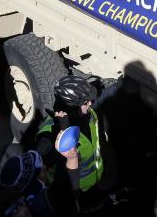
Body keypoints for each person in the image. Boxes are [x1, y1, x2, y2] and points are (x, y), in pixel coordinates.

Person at [35, 75, 114, 210]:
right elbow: (44, 173)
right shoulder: (49, 136)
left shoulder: (88, 114)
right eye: (86, 102)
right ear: (72, 107)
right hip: (75, 192)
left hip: (97, 179)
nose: (90, 103)